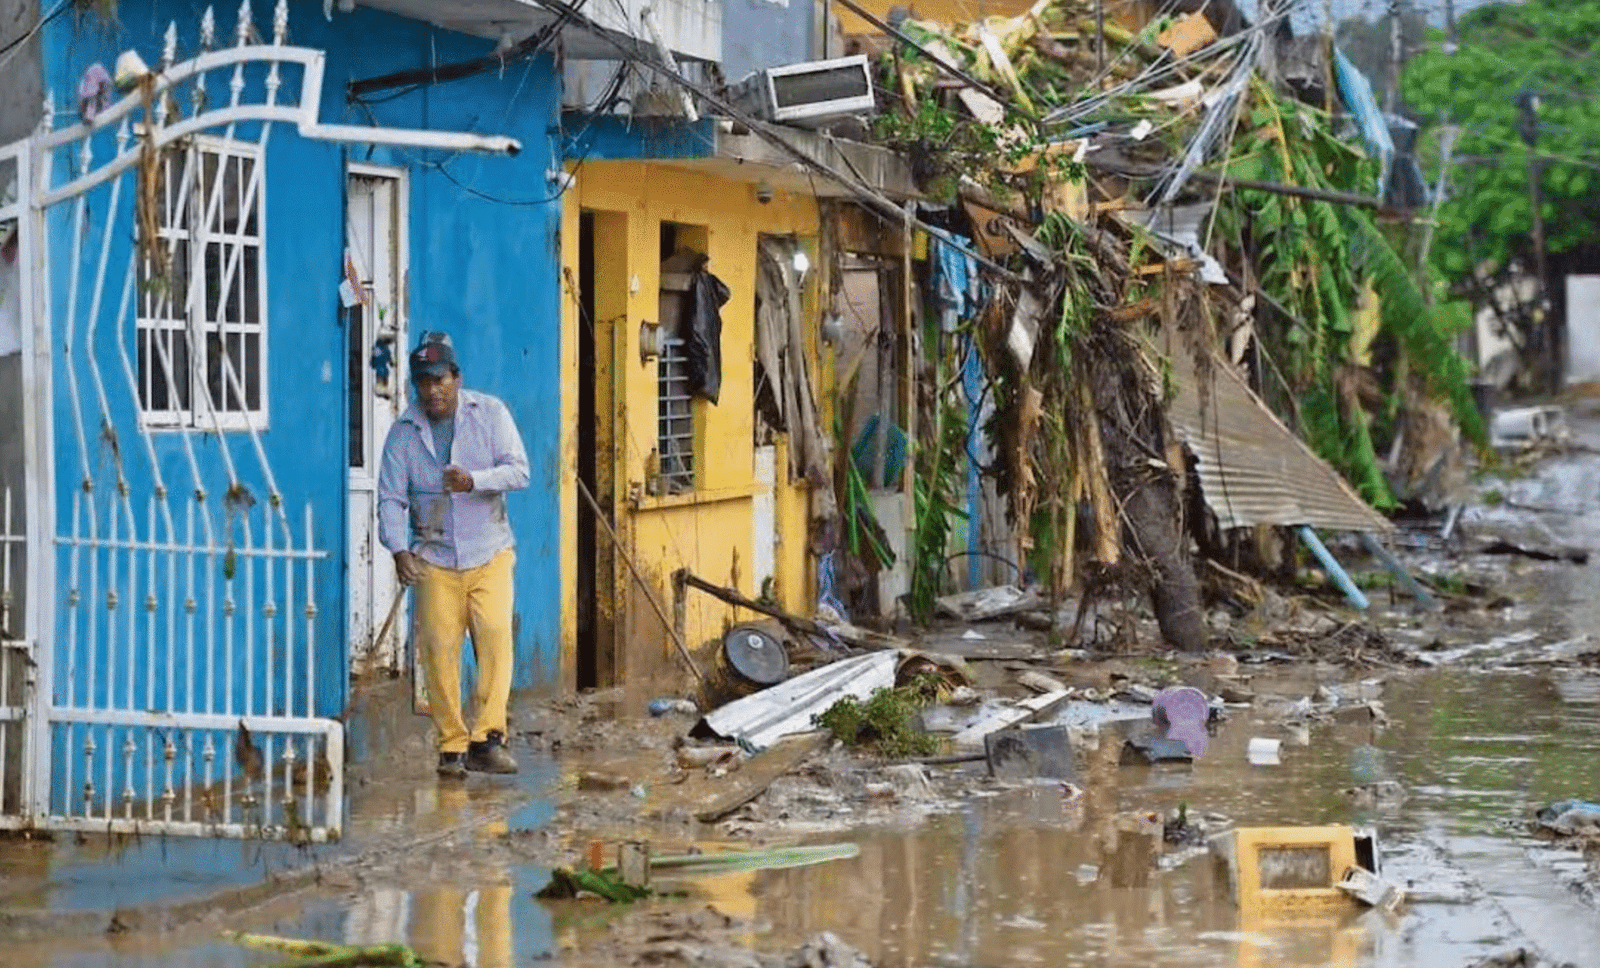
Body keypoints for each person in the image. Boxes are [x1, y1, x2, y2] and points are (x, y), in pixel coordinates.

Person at [378, 331, 529, 778]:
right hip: (435, 557)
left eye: (440, 379)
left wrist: (474, 481)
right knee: (440, 652)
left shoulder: (491, 413)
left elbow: (519, 471)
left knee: (494, 636)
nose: (433, 390)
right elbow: (390, 498)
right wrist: (399, 549)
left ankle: (488, 738)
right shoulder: (404, 434)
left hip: (490, 551)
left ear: (457, 378)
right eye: (423, 382)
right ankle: (451, 746)